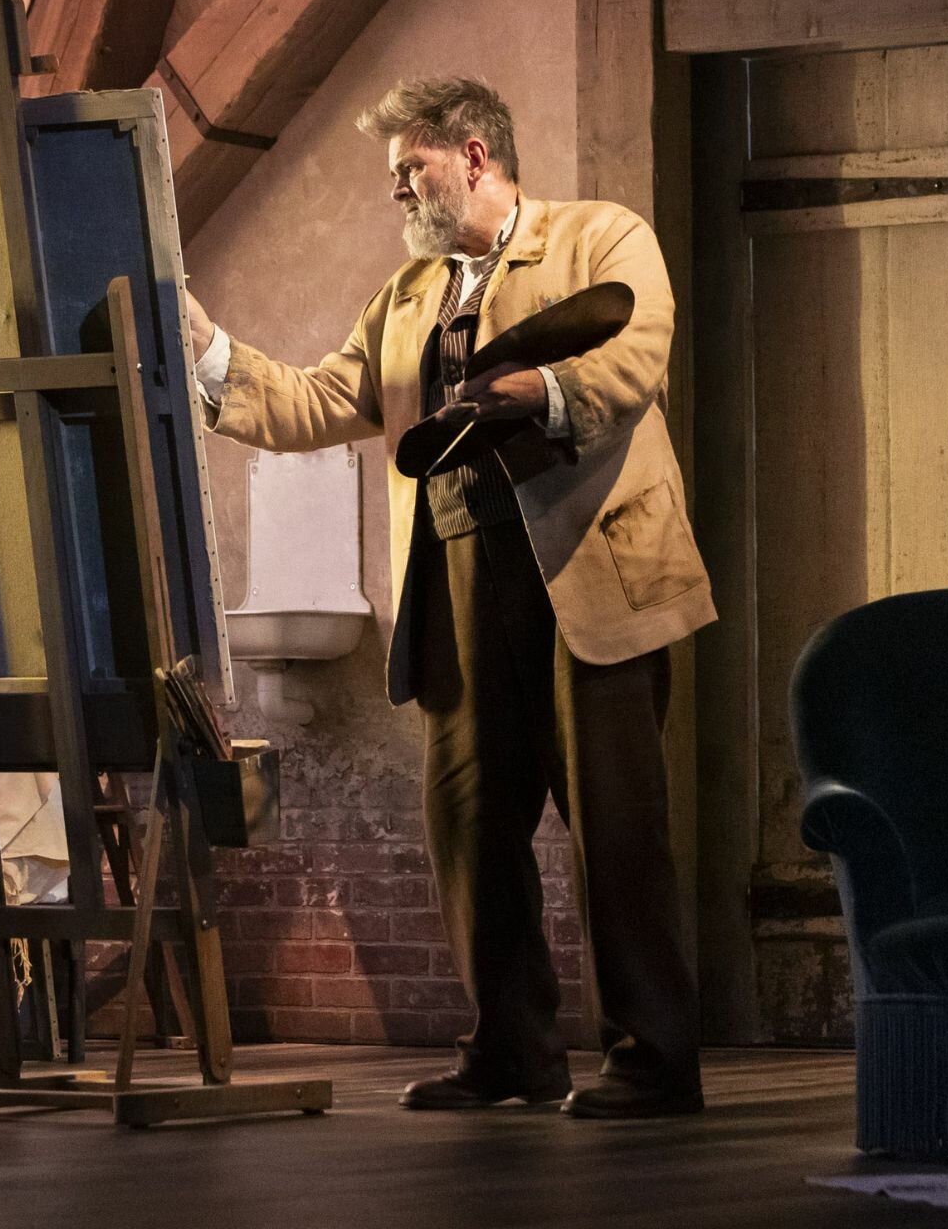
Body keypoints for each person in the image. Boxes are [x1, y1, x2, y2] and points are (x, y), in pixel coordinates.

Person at [184, 75, 715, 1119]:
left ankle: (655, 1057)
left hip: (589, 571)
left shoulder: (599, 238)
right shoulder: (406, 296)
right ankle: (513, 1051)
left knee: (617, 828)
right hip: (460, 583)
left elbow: (637, 356)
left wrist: (536, 392)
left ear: (473, 155)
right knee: (469, 825)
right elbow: (318, 400)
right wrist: (205, 345)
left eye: (409, 167)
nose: (396, 189)